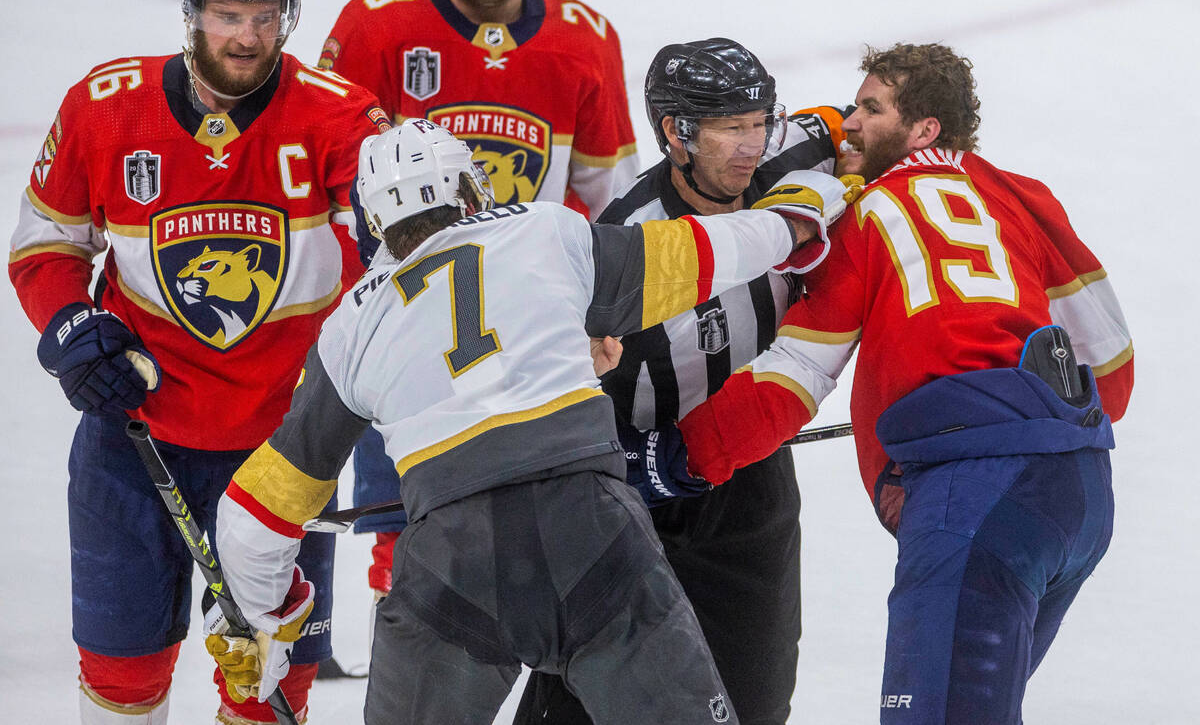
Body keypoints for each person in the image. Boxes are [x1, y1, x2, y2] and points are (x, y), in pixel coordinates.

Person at [204, 118, 853, 725]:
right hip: (592, 532)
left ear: (375, 220)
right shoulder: (544, 230)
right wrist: (796, 218)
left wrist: (263, 622)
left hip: (451, 566)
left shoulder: (350, 326)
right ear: (468, 185)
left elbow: (252, 516)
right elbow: (705, 251)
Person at [677, 43, 1135, 725]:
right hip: (1081, 496)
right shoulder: (1022, 196)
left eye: (870, 107)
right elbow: (1115, 371)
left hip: (974, 499)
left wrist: (680, 456)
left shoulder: (864, 215)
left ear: (924, 130)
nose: (848, 124)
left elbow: (791, 378)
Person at [10, 0, 387, 725]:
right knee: (121, 678)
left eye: (264, 15)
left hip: (286, 454)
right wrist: (73, 327)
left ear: (288, 14)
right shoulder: (106, 107)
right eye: (226, 13)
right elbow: (47, 245)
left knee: (267, 688)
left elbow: (392, 259)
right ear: (191, 10)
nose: (247, 36)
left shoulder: (340, 119)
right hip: (135, 439)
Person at [317, 0, 639, 603]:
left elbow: (610, 203)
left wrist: (602, 311)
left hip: (531, 332)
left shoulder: (582, 40)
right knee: (411, 550)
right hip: (406, 333)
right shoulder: (378, 26)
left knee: (539, 541)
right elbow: (330, 191)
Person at [515, 37, 849, 725]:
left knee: (751, 704)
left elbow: (884, 119)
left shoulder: (792, 151)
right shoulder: (623, 240)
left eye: (760, 121)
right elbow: (549, 388)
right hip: (633, 501)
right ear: (676, 131)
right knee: (577, 704)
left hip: (752, 488)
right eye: (731, 128)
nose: (752, 144)